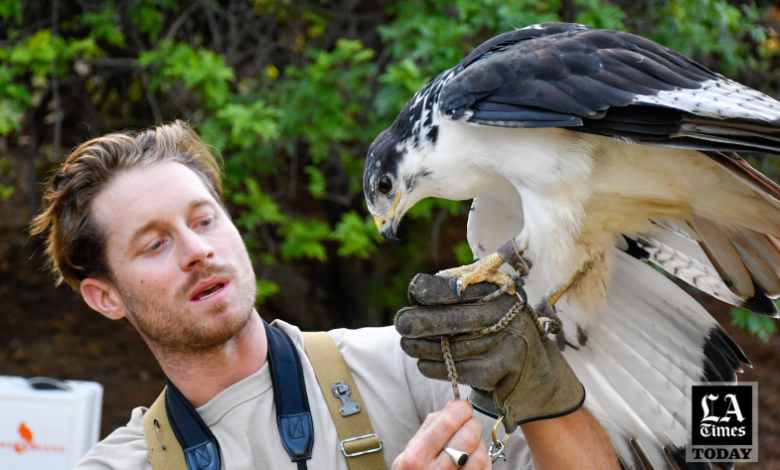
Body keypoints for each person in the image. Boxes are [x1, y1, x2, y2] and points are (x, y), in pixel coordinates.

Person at [31, 121, 619, 469]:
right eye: (155, 244)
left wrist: (546, 396)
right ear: (104, 297)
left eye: (204, 220)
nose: (197, 251)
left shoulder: (417, 368)